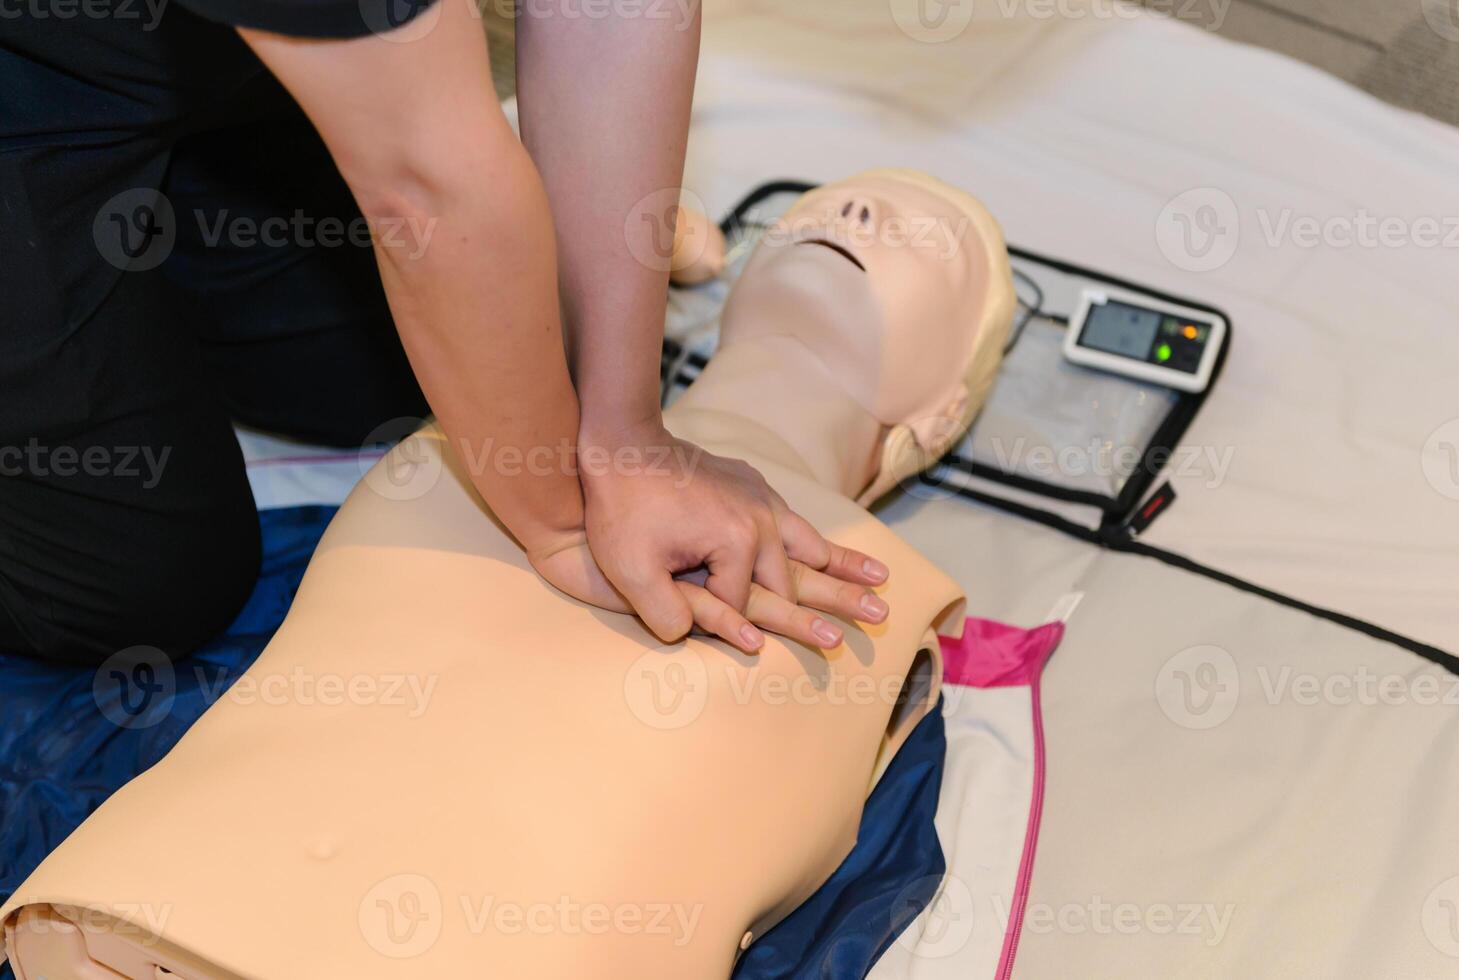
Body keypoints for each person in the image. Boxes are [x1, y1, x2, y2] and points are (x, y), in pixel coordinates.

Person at [0, 169, 1017, 980]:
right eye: (819, 206)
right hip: (139, 907)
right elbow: (437, 164)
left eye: (925, 236)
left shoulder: (877, 592)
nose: (858, 205)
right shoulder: (503, 422)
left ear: (940, 410)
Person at [0, 0, 886, 665]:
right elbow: (424, 185)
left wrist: (622, 433)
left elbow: (606, 16)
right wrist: (564, 527)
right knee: (142, 587)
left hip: (187, 50)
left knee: (482, 365)